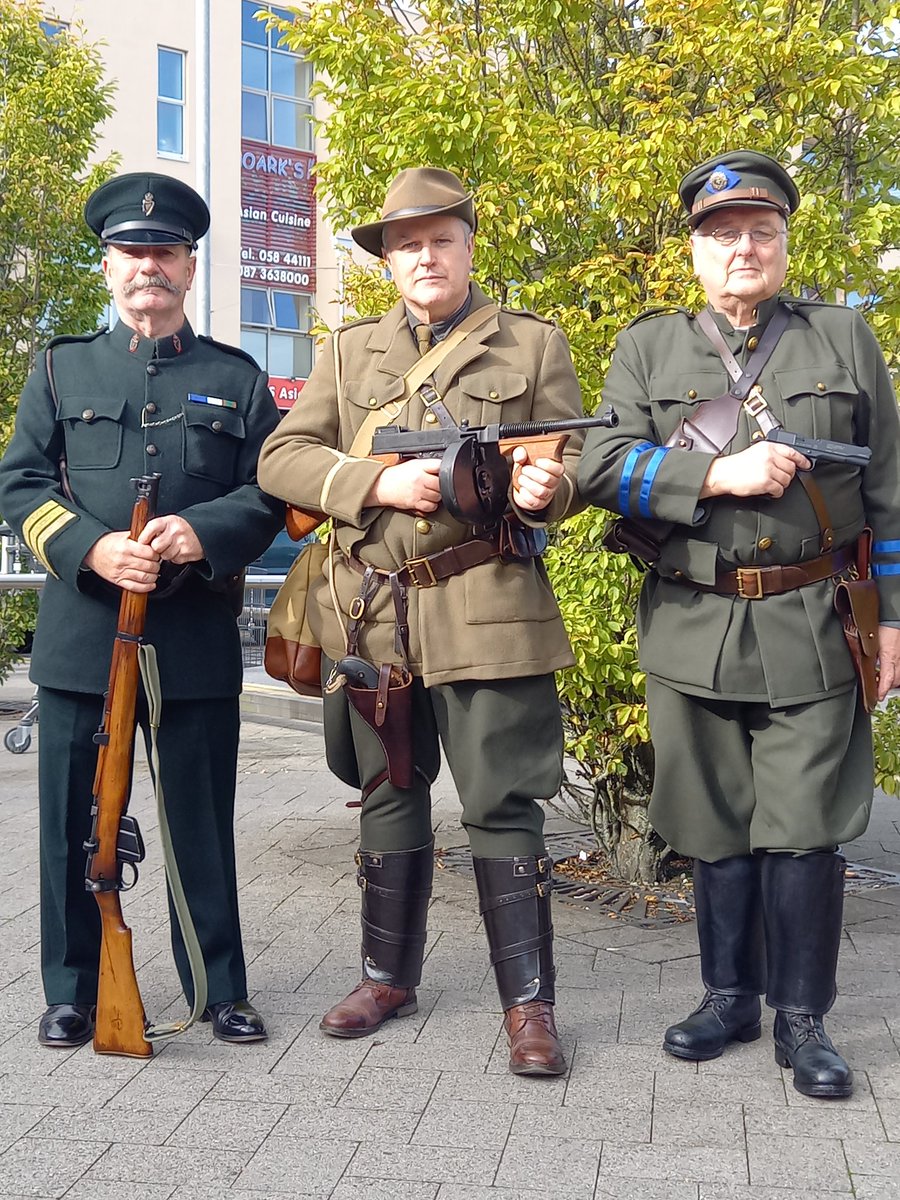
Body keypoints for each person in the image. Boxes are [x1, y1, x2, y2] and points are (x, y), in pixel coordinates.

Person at [577, 150, 900, 1099]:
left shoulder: (844, 338)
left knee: (805, 827)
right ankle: (727, 997)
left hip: (813, 619)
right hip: (692, 619)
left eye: (761, 231)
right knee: (713, 823)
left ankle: (804, 1020)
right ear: (695, 251)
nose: (743, 248)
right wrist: (716, 474)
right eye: (722, 235)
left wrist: (895, 622)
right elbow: (599, 467)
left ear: (785, 242)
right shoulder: (650, 348)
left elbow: (889, 492)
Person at [258, 167, 584, 1075]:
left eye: (441, 239)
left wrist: (547, 488)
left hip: (488, 604)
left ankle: (529, 1006)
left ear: (469, 246)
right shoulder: (347, 351)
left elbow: (575, 458)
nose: (426, 257)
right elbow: (282, 459)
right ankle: (385, 977)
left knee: (502, 800)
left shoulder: (531, 343)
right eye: (408, 245)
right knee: (387, 790)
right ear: (388, 262)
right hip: (371, 616)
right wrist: (375, 483)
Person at [0, 172, 284, 1048]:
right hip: (84, 639)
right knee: (70, 826)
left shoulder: (234, 379)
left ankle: (219, 985)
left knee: (199, 821)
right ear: (108, 262)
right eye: (132, 251)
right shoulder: (59, 366)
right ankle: (72, 990)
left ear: (190, 267)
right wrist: (88, 547)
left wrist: (201, 534)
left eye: (164, 252)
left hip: (193, 635)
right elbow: (19, 482)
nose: (148, 266)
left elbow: (270, 489)